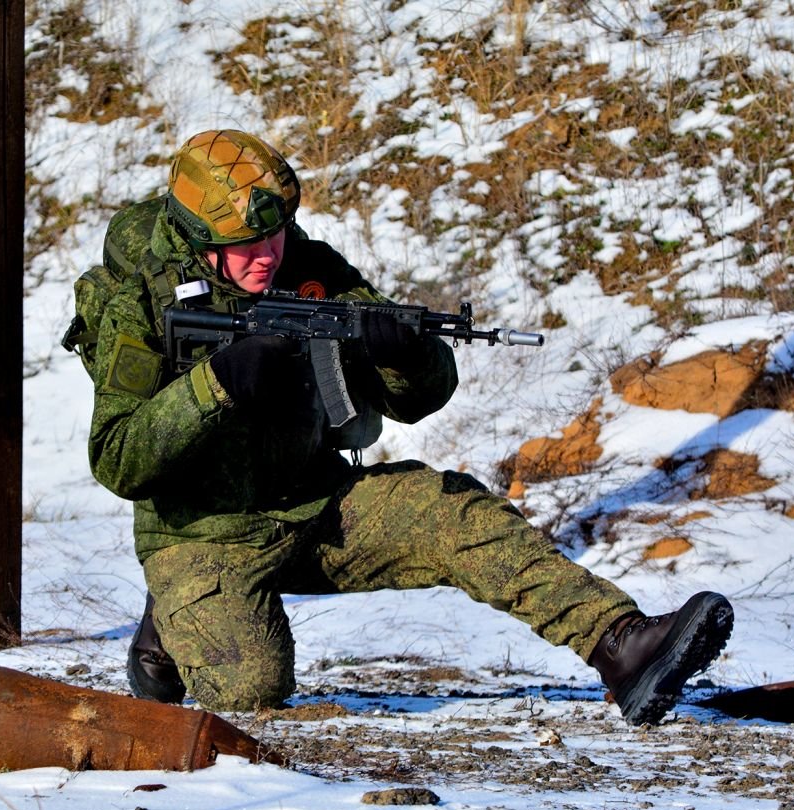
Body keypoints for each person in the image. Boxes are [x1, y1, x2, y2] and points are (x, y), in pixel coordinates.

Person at [87, 129, 733, 726]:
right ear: (200, 240)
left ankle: (620, 644)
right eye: (245, 247)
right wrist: (216, 384)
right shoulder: (142, 303)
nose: (266, 257)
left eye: (275, 236)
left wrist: (405, 354)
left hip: (316, 504)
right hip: (200, 534)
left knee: (457, 514)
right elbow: (117, 458)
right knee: (251, 686)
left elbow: (418, 400)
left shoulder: (311, 269)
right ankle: (171, 614)